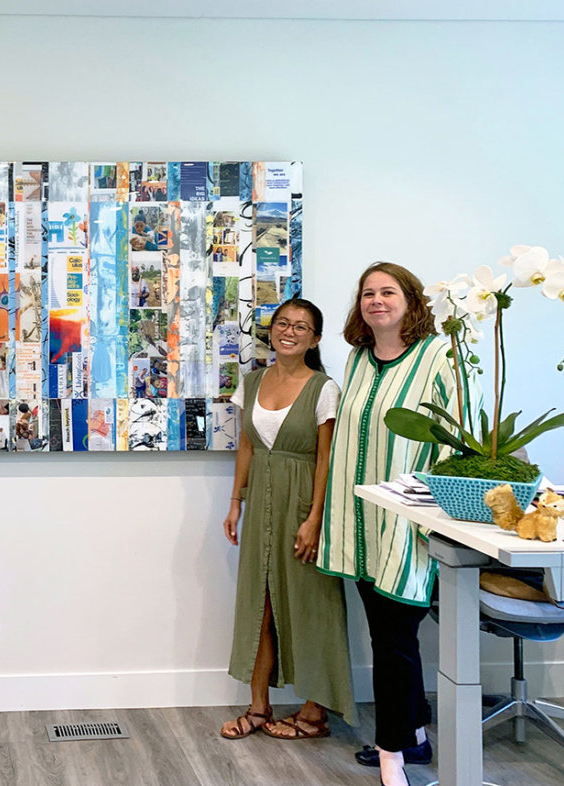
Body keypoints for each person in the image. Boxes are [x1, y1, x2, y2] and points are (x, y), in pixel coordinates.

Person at [316, 262, 456, 786]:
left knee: (394, 641)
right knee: (390, 637)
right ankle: (414, 737)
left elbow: (457, 437)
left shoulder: (439, 356)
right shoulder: (358, 359)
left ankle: (391, 755)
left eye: (388, 291)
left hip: (408, 522)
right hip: (359, 523)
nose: (376, 300)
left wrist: (434, 517)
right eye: (368, 293)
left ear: (412, 300)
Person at [219, 298, 356, 742]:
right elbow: (246, 446)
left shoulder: (324, 388)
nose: (289, 331)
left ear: (315, 339)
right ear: (271, 330)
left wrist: (315, 518)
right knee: (258, 604)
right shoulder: (253, 381)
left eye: (301, 326)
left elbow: (326, 459)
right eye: (282, 323)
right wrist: (235, 502)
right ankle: (258, 707)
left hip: (302, 505)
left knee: (311, 604)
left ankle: (315, 712)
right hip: (260, 499)